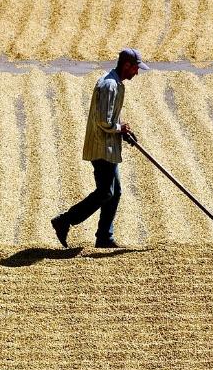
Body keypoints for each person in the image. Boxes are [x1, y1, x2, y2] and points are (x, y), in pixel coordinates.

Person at [50, 48, 150, 248]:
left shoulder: (116, 83)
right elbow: (104, 121)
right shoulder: (109, 85)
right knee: (106, 192)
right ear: (126, 65)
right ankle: (65, 220)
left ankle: (104, 236)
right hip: (102, 147)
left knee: (115, 191)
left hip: (109, 147)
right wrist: (120, 128)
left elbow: (111, 115)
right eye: (135, 69)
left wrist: (124, 132)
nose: (137, 73)